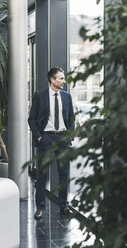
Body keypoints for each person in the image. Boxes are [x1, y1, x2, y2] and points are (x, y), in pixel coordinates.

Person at [28, 67, 74, 219]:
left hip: (62, 138)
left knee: (64, 175)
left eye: (63, 78)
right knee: (42, 175)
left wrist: (69, 136)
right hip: (46, 138)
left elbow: (71, 119)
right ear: (52, 80)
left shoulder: (67, 96)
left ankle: (64, 206)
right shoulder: (40, 96)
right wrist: (39, 137)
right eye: (61, 78)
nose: (63, 81)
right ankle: (40, 208)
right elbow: (32, 118)